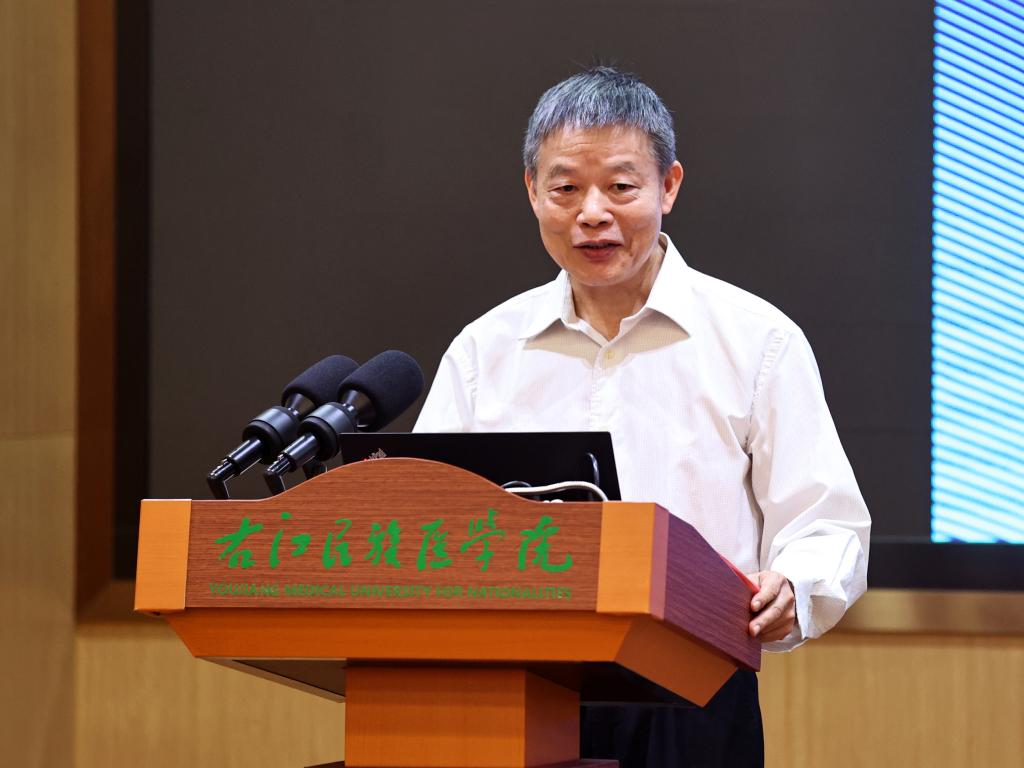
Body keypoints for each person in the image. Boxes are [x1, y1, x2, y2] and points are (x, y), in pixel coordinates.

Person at [414, 66, 870, 767]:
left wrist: (795, 586)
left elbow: (826, 521)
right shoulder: (484, 351)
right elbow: (425, 524)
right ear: (532, 191)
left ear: (669, 186)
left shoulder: (757, 341)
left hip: (695, 692)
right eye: (565, 189)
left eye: (621, 187)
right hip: (520, 690)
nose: (592, 212)